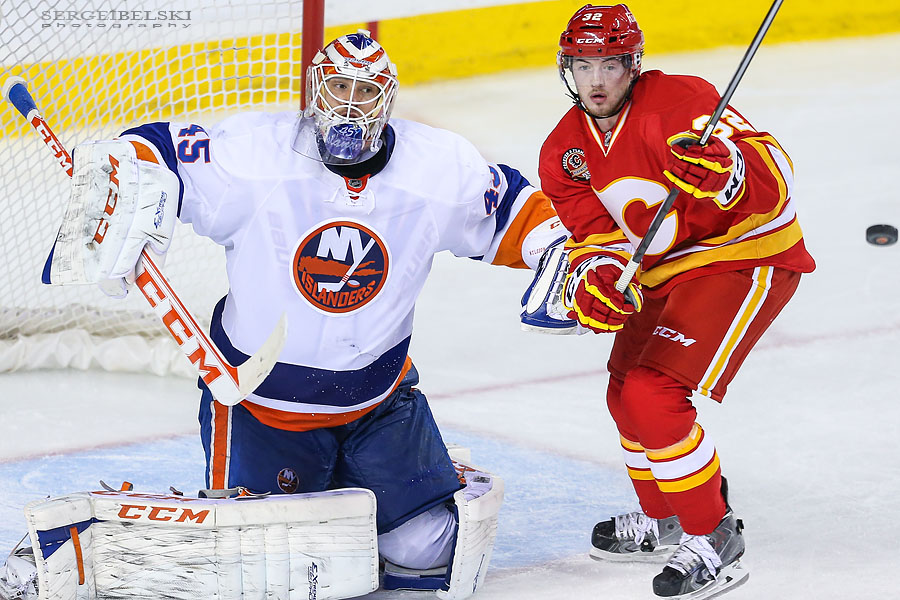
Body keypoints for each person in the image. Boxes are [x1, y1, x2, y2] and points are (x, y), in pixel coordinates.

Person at [38, 30, 564, 599]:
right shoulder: (256, 155)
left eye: (365, 92)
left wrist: (561, 252)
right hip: (263, 407)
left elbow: (512, 207)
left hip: (378, 402)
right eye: (338, 86)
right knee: (271, 575)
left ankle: (359, 486)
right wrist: (123, 183)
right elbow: (158, 150)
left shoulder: (435, 166)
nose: (349, 104)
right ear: (316, 91)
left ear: (387, 102)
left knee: (427, 553)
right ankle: (335, 493)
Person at [538, 4, 816, 599]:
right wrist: (597, 279)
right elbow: (599, 241)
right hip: (669, 272)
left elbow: (779, 172)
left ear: (632, 65)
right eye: (584, 65)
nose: (597, 80)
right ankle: (668, 518)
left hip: (742, 253)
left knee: (652, 392)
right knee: (622, 389)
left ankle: (714, 535)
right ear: (567, 67)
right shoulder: (564, 150)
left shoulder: (682, 101)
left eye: (610, 64)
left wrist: (730, 174)